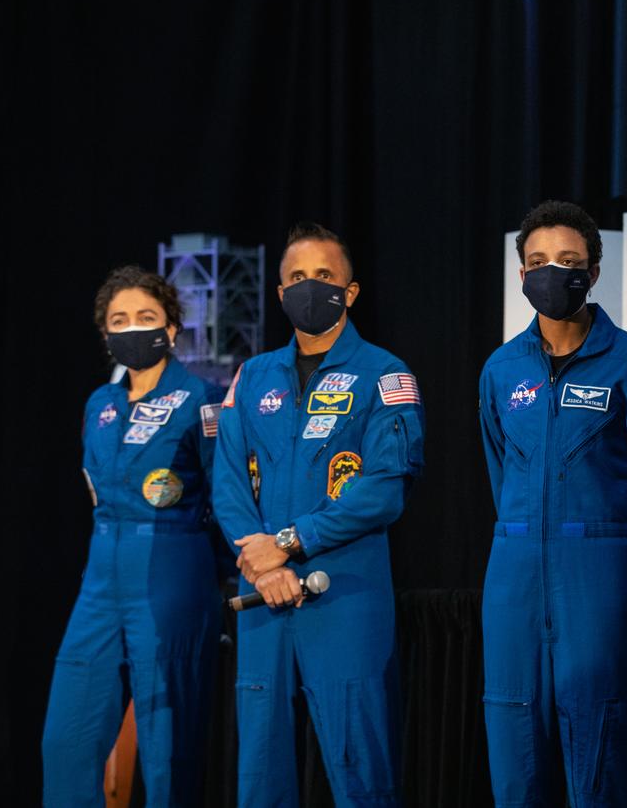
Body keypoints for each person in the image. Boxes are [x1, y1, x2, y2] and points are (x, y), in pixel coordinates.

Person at [213, 222, 425, 806]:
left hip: (344, 599)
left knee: (362, 771)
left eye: (325, 277)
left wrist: (288, 541)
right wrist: (263, 561)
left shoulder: (386, 375)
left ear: (350, 292)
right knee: (260, 773)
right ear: (280, 294)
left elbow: (383, 490)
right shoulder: (251, 377)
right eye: (298, 278)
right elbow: (227, 483)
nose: (311, 287)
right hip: (261, 597)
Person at [478, 201, 627, 807]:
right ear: (521, 275)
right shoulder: (501, 369)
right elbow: (498, 468)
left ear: (593, 268)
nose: (551, 272)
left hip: (600, 575)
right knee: (514, 748)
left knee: (604, 743)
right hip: (512, 579)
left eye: (567, 261)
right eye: (536, 262)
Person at [42, 266, 223, 806]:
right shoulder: (99, 404)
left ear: (171, 328)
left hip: (171, 570)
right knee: (66, 740)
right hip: (100, 577)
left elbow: (227, 496)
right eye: (119, 320)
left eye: (146, 317)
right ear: (105, 334)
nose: (132, 328)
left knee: (169, 749)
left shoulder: (202, 399)